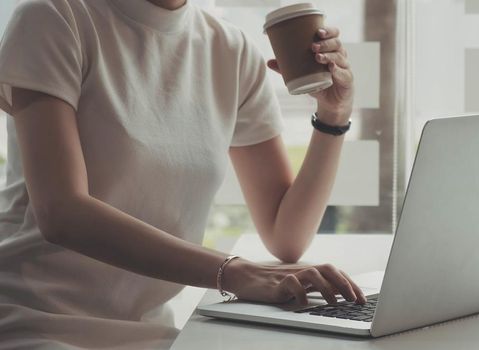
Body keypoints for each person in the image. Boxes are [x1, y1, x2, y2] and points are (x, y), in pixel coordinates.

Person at [0, 0, 365, 348]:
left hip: (151, 333)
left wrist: (334, 115)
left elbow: (286, 235)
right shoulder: (54, 17)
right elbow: (61, 213)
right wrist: (235, 272)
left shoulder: (231, 50)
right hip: (35, 322)